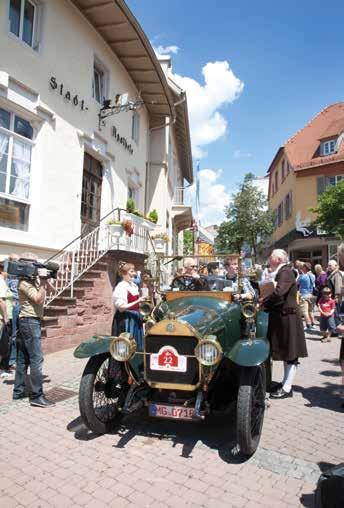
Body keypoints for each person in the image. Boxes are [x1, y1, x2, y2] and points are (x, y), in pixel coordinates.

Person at [263, 249, 308, 399]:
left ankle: (287, 388)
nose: (269, 259)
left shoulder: (286, 272)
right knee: (285, 351)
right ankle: (284, 383)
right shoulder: (283, 271)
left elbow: (278, 293)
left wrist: (262, 302)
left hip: (288, 317)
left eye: (271, 257)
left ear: (278, 259)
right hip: (284, 317)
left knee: (290, 353)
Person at [13, 253, 55, 407]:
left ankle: (18, 391)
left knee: (23, 359)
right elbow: (39, 299)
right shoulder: (23, 283)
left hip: (29, 322)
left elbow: (51, 290)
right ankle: (37, 396)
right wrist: (42, 281)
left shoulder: (32, 280)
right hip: (29, 322)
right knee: (36, 359)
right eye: (34, 264)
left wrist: (46, 278)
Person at [112, 263, 147, 350]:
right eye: (131, 271)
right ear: (124, 274)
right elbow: (121, 308)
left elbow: (135, 304)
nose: (134, 274)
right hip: (125, 320)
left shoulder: (133, 285)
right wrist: (138, 300)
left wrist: (142, 303)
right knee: (125, 347)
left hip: (135, 318)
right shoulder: (121, 287)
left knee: (136, 344)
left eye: (134, 271)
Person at [6, 254, 20, 371]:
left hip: (24, 305)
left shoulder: (23, 274)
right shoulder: (9, 276)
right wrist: (12, 301)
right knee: (14, 334)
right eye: (15, 260)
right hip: (15, 305)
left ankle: (22, 359)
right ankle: (12, 360)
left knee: (24, 333)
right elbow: (5, 292)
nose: (18, 263)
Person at [0, 261, 13, 378]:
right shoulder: (0, 281)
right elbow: (1, 301)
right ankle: (1, 369)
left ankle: (4, 367)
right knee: (2, 343)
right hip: (2, 318)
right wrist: (5, 317)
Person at [298, 263, 316, 332]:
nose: (302, 268)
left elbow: (297, 283)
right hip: (311, 294)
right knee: (311, 310)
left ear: (305, 268)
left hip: (304, 295)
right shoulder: (313, 276)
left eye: (303, 267)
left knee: (305, 311)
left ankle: (308, 325)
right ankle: (313, 324)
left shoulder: (302, 276)